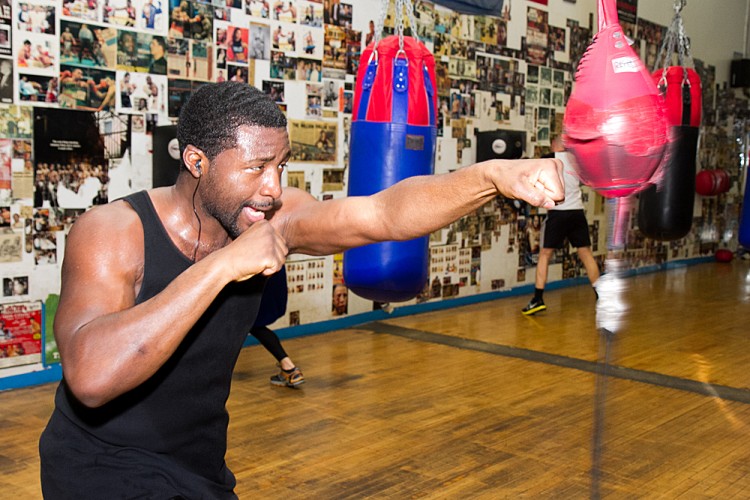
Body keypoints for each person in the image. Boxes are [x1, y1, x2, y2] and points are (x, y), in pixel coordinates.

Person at [39, 82, 563, 498]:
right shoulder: (113, 231)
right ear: (196, 162)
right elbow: (91, 376)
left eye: (280, 166)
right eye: (255, 168)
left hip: (197, 465)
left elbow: (382, 213)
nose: (272, 187)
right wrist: (223, 266)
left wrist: (491, 176)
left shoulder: (272, 215)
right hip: (98, 467)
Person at [521, 135, 600, 316]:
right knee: (585, 253)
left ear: (554, 145)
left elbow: (528, 170)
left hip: (559, 213)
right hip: (577, 212)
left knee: (544, 255)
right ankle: (601, 295)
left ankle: (538, 299)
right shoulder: (577, 162)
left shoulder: (550, 159)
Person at [248, 265, 304, 387]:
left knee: (253, 324)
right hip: (273, 271)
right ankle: (289, 368)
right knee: (252, 324)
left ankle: (289, 368)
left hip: (259, 274)